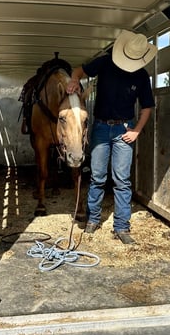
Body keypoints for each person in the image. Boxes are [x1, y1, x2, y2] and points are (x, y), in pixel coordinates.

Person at [66, 30, 157, 244]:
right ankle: (93, 220)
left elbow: (147, 107)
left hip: (124, 129)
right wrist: (74, 80)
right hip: (100, 127)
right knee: (97, 176)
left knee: (122, 180)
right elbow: (79, 70)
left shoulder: (142, 76)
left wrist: (136, 131)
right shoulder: (105, 63)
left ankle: (122, 227)